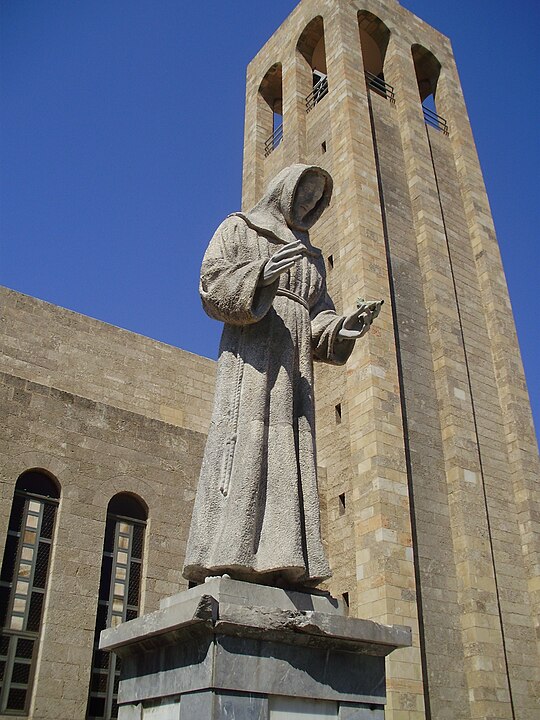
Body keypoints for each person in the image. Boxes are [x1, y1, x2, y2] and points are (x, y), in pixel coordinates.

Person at [183, 164, 381, 588]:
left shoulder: (311, 257)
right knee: (249, 442)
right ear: (284, 190)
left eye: (316, 200)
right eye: (303, 195)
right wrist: (261, 275)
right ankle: (231, 551)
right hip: (253, 353)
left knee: (288, 452)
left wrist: (344, 325)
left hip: (294, 372)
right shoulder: (240, 228)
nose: (308, 205)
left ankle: (283, 554)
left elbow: (317, 316)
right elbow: (210, 283)